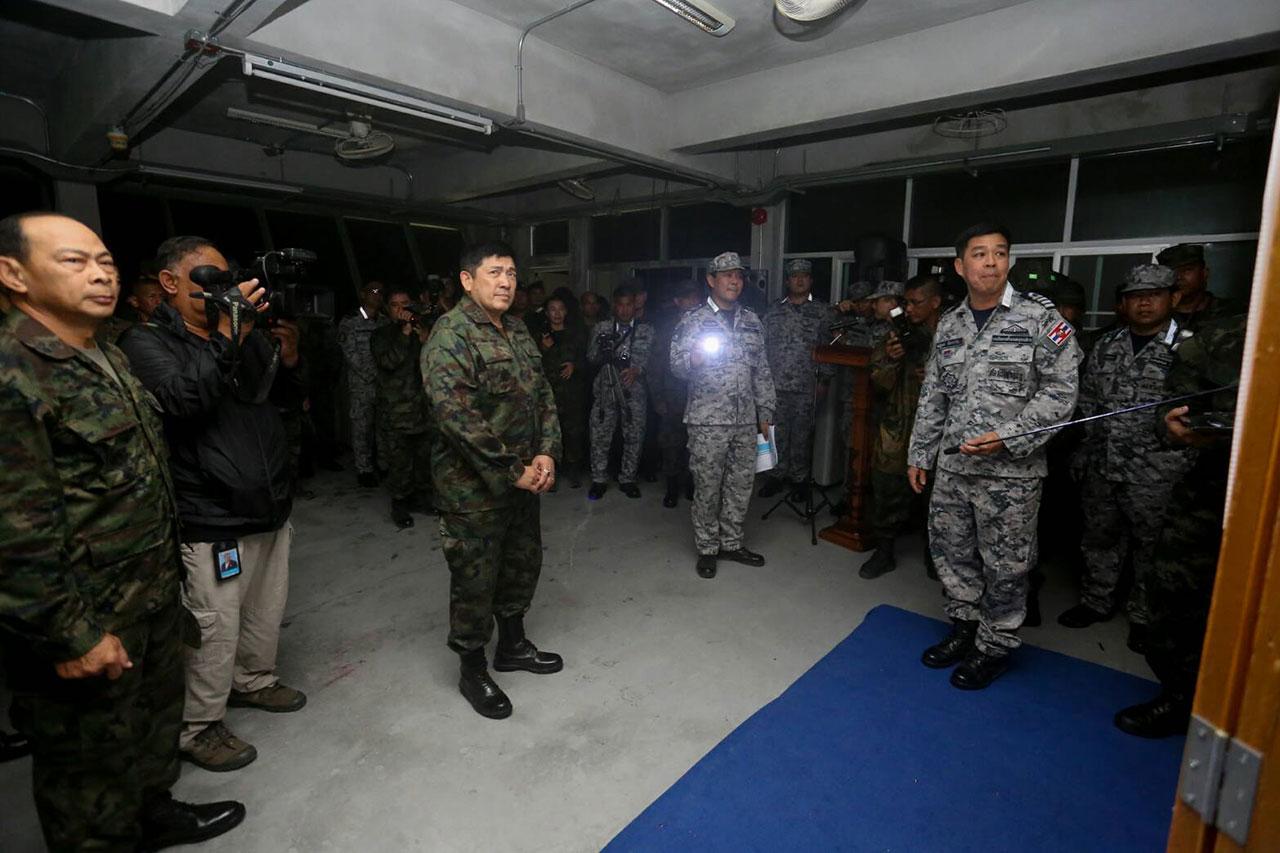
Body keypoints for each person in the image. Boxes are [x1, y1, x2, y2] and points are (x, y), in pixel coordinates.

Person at [0, 212, 244, 849]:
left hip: (147, 594)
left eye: (106, 262)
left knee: (149, 731)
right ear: (13, 274)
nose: (100, 275)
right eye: (75, 261)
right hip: (85, 616)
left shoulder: (104, 352)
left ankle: (155, 814)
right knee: (90, 776)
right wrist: (70, 635)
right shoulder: (13, 372)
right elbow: (15, 535)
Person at [119, 235, 307, 773]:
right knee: (213, 626)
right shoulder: (146, 341)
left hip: (267, 504)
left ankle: (254, 680)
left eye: (226, 278)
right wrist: (229, 333)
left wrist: (288, 359)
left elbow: (282, 402)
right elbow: (184, 400)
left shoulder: (242, 335)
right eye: (208, 277)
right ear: (169, 283)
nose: (221, 288)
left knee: (264, 610)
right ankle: (199, 725)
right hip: (211, 516)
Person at [907, 223, 1081, 690]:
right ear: (960, 266)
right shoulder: (950, 324)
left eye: (1000, 253)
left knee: (1007, 565)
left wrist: (1008, 436)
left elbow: (1062, 392)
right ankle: (964, 626)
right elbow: (934, 395)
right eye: (980, 254)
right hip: (954, 466)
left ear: (1009, 262)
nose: (990, 262)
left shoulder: (1040, 318)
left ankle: (995, 645)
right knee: (952, 553)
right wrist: (920, 453)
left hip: (1012, 474)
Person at [422, 242, 563, 720]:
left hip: (525, 479)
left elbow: (543, 394)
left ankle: (513, 646)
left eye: (512, 274)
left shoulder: (518, 330)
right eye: (495, 272)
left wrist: (545, 451)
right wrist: (512, 470)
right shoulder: (450, 336)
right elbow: (456, 418)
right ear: (467, 280)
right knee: (475, 579)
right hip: (472, 491)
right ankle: (472, 669)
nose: (506, 282)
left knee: (522, 562)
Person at [1115, 314, 1245, 737]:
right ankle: (1179, 696)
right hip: (1212, 490)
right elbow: (1169, 407)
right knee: (1174, 596)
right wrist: (1172, 426)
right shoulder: (1224, 337)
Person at [1060, 264, 1193, 648]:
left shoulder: (1188, 349)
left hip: (1157, 470)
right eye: (1136, 296)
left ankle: (1143, 616)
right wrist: (1085, 449)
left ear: (1174, 298)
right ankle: (1096, 601)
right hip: (1103, 463)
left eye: (1154, 294)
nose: (1144, 303)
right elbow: (1088, 401)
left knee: (1151, 546)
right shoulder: (1107, 345)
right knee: (1099, 537)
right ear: (1124, 303)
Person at [670, 251, 776, 579]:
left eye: (739, 276)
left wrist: (766, 409)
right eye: (727, 275)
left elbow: (761, 369)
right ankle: (707, 547)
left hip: (745, 419)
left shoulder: (751, 320)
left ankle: (731, 542)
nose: (735, 281)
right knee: (707, 486)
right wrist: (694, 359)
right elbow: (675, 366)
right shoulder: (692, 320)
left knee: (741, 484)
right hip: (708, 420)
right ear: (711, 280)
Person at [860, 274, 944, 580]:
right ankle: (884, 551)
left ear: (935, 303)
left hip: (939, 428)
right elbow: (879, 382)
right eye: (905, 302)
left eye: (915, 302)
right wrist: (892, 359)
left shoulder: (952, 335)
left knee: (938, 495)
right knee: (887, 488)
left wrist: (935, 378)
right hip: (899, 424)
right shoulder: (897, 335)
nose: (907, 308)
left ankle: (935, 555)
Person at [760, 258, 835, 498]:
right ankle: (775, 475)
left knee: (802, 436)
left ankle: (799, 479)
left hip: (807, 385)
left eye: (804, 276)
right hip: (775, 385)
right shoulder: (773, 311)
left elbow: (829, 349)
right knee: (774, 434)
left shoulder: (823, 312)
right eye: (795, 276)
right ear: (787, 281)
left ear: (810, 280)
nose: (799, 280)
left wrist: (824, 380)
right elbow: (761, 347)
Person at [371, 287, 435, 529]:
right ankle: (399, 504)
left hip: (422, 407)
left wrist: (425, 341)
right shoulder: (381, 335)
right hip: (396, 410)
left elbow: (434, 363)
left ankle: (422, 498)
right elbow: (389, 362)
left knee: (423, 457)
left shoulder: (421, 329)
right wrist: (405, 334)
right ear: (388, 309)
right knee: (399, 461)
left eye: (405, 303)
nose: (401, 309)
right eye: (395, 305)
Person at [586, 283, 653, 500]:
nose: (624, 310)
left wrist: (637, 370)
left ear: (636, 305)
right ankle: (599, 479)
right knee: (600, 434)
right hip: (606, 388)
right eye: (620, 305)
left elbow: (655, 360)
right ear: (614, 306)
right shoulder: (602, 328)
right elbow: (590, 357)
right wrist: (603, 351)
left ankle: (628, 479)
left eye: (629, 305)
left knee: (634, 435)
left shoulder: (646, 330)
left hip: (634, 391)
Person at [651, 280, 703, 508]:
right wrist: (658, 397)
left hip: (700, 397)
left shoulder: (708, 325)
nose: (693, 301)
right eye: (687, 297)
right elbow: (655, 365)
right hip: (672, 395)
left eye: (695, 297)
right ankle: (672, 487)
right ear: (677, 301)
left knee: (696, 444)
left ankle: (692, 484)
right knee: (671, 444)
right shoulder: (667, 328)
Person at [338, 281, 388, 487]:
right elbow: (351, 355)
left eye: (380, 292)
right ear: (363, 294)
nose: (377, 295)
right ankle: (364, 469)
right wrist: (373, 375)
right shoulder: (350, 322)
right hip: (362, 385)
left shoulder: (384, 322)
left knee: (383, 427)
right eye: (373, 291)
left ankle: (383, 465)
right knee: (362, 428)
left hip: (384, 384)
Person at [538, 292, 588, 488]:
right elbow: (534, 365)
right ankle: (551, 474)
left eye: (560, 309)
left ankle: (574, 471)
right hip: (549, 395)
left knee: (573, 434)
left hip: (573, 394)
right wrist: (545, 349)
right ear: (547, 313)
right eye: (552, 309)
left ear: (566, 312)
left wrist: (574, 366)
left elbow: (588, 360)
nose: (557, 313)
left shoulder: (576, 335)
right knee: (551, 434)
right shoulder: (540, 336)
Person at [1156, 243, 1240, 333]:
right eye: (1172, 273)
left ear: (1204, 273)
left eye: (1187, 270)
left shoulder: (1233, 312)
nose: (1179, 277)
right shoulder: (1154, 315)